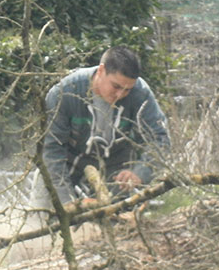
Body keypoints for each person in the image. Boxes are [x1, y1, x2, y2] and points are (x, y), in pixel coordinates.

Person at [41, 46, 170, 210]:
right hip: (66, 163)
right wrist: (67, 201)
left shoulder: (141, 94)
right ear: (101, 71)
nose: (120, 94)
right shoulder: (64, 93)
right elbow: (51, 150)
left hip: (115, 167)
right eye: (116, 86)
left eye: (127, 89)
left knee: (119, 221)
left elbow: (159, 138)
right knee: (44, 215)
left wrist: (140, 172)